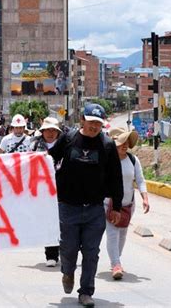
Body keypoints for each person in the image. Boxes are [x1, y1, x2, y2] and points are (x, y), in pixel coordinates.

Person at [48, 103, 123, 307]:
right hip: (68, 206)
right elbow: (49, 160)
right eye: (91, 123)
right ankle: (68, 272)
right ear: (82, 120)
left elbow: (116, 177)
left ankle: (86, 292)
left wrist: (116, 207)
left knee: (91, 252)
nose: (94, 127)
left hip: (94, 208)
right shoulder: (69, 138)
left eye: (98, 124)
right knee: (69, 249)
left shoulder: (107, 145)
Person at [105, 127, 149, 280]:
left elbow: (140, 179)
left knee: (122, 233)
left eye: (126, 142)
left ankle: (116, 260)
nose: (124, 145)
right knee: (112, 233)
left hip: (128, 204)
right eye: (121, 142)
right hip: (109, 203)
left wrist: (145, 197)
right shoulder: (106, 160)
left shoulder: (132, 160)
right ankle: (116, 263)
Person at [29, 117, 62, 267]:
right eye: (48, 130)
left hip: (62, 188)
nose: (50, 133)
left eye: (54, 130)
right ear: (42, 131)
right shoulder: (34, 145)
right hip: (42, 190)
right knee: (49, 222)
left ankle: (64, 250)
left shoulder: (65, 145)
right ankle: (51, 254)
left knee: (63, 221)